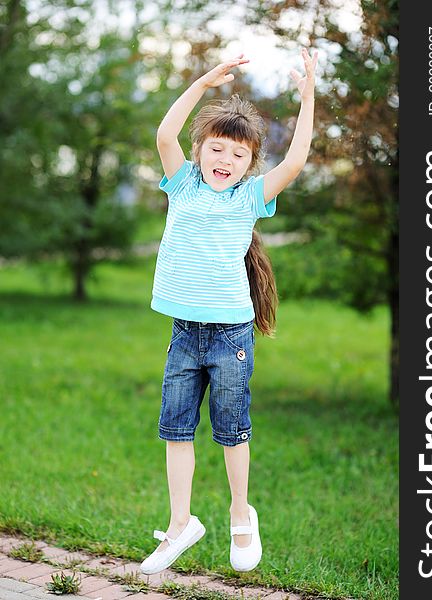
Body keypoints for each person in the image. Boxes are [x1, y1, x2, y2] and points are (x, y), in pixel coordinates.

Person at [140, 47, 318, 575]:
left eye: (237, 156)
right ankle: (180, 525)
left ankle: (242, 515)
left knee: (230, 430)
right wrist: (201, 84)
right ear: (200, 152)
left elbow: (297, 161)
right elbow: (165, 136)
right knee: (175, 429)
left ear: (249, 164)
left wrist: (308, 97)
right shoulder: (183, 183)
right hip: (184, 332)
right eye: (216, 149)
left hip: (230, 336)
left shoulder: (250, 199)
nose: (225, 160)